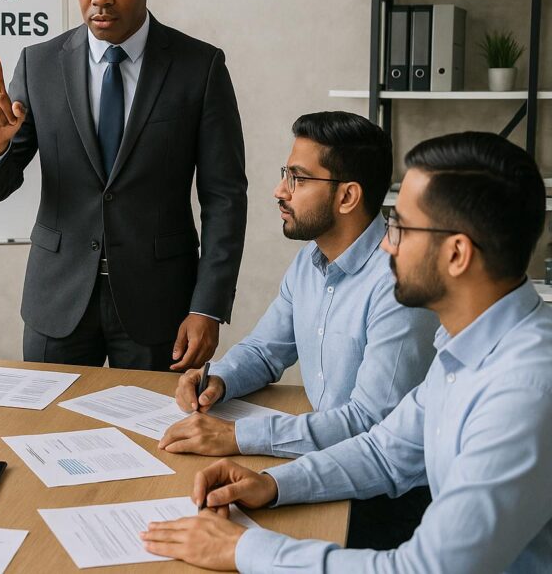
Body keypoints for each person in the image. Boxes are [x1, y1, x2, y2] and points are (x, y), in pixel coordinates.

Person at [141, 132, 552, 573]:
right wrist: (270, 484)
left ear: (456, 254)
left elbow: (427, 569)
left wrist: (242, 550)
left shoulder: (525, 387)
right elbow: (385, 452)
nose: (388, 244)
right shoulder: (467, 346)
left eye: (402, 227)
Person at [0, 0, 247, 371]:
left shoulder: (201, 67)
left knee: (153, 436)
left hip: (161, 305)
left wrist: (207, 306)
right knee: (44, 434)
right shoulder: (38, 66)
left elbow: (225, 199)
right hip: (56, 301)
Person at [159, 112, 438, 548]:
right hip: (325, 464)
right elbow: (265, 350)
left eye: (298, 179)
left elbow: (368, 425)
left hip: (386, 500)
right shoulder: (309, 262)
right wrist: (218, 381)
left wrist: (235, 436)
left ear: (347, 197)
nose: (279, 191)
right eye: (285, 174)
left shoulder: (399, 284)